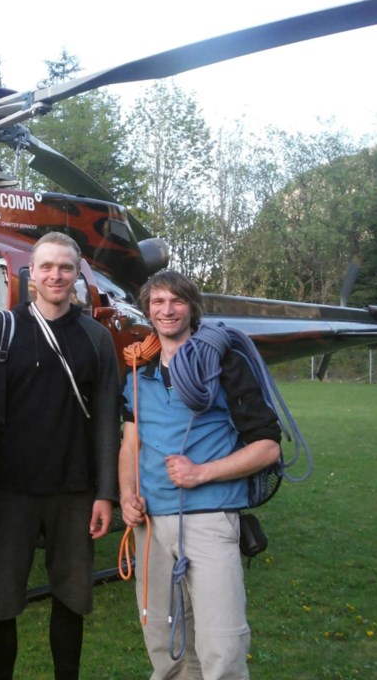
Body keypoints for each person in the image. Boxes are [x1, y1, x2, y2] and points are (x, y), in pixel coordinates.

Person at [119, 270, 282, 679]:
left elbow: (267, 447)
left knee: (221, 645)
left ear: (192, 308)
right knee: (164, 643)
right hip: (151, 527)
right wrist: (126, 495)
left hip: (209, 519)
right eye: (157, 302)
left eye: (176, 301)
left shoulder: (226, 366)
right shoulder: (140, 378)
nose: (167, 310)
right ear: (147, 311)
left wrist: (202, 473)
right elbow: (129, 444)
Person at [0, 231, 120, 680]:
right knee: (1, 603)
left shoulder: (96, 338)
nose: (56, 275)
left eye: (66, 268)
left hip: (74, 491)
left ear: (77, 275)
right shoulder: (0, 330)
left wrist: (106, 493)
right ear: (30, 273)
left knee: (71, 599)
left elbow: (108, 419)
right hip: (10, 491)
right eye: (47, 267)